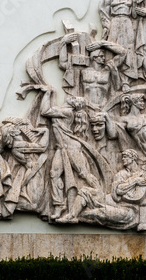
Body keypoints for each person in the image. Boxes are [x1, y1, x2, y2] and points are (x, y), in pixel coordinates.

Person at [40, 88, 104, 220]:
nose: (71, 97)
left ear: (75, 104)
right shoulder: (62, 110)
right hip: (60, 148)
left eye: (75, 99)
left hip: (71, 148)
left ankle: (99, 193)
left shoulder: (67, 112)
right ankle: (58, 206)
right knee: (54, 174)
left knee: (84, 174)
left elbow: (44, 111)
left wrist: (47, 93)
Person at [1, 117, 50, 216]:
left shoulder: (17, 144)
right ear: (13, 132)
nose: (20, 129)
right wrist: (46, 131)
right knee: (34, 203)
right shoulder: (19, 145)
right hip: (33, 173)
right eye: (17, 128)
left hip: (34, 171)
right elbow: (42, 147)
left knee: (36, 201)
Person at [99, 0, 138, 92]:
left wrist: (135, 4)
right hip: (115, 23)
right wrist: (106, 26)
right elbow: (104, 14)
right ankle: (111, 76)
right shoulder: (110, 0)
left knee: (129, 50)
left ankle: (125, 81)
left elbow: (134, 16)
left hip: (127, 23)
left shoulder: (129, 0)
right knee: (112, 49)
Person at [81, 40, 126, 108]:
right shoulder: (84, 71)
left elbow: (123, 53)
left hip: (104, 106)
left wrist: (103, 43)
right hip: (87, 106)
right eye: (101, 56)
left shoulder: (107, 70)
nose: (104, 58)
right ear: (94, 58)